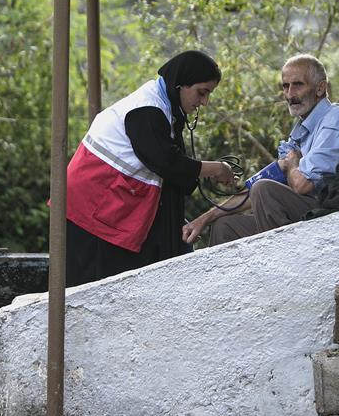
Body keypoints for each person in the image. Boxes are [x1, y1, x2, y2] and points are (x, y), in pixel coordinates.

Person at [65, 50, 234, 286]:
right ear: (180, 84)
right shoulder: (147, 109)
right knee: (94, 284)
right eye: (201, 92)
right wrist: (217, 169)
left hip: (112, 200)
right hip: (94, 203)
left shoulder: (163, 107)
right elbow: (167, 163)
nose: (204, 102)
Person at [182, 53, 339, 246]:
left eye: (298, 85)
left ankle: (283, 263)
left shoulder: (337, 121)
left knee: (264, 190)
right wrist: (205, 219)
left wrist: (291, 164)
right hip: (317, 215)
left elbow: (301, 185)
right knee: (225, 227)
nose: (290, 95)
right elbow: (256, 186)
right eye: (286, 86)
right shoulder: (302, 130)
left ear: (320, 88)